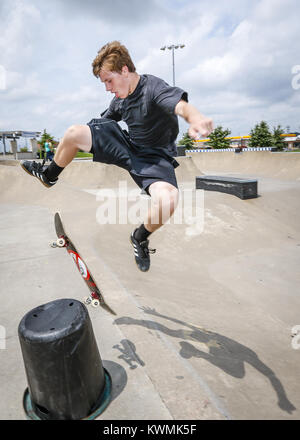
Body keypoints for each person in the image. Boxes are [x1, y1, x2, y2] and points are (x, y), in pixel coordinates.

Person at [20, 41, 213, 272]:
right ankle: (49, 175)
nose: (107, 88)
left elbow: (180, 106)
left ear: (124, 70)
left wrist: (196, 118)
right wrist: (90, 138)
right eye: (104, 83)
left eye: (108, 81)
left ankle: (140, 237)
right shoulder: (120, 100)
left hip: (155, 159)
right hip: (127, 147)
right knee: (74, 133)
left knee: (169, 200)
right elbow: (102, 124)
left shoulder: (153, 88)